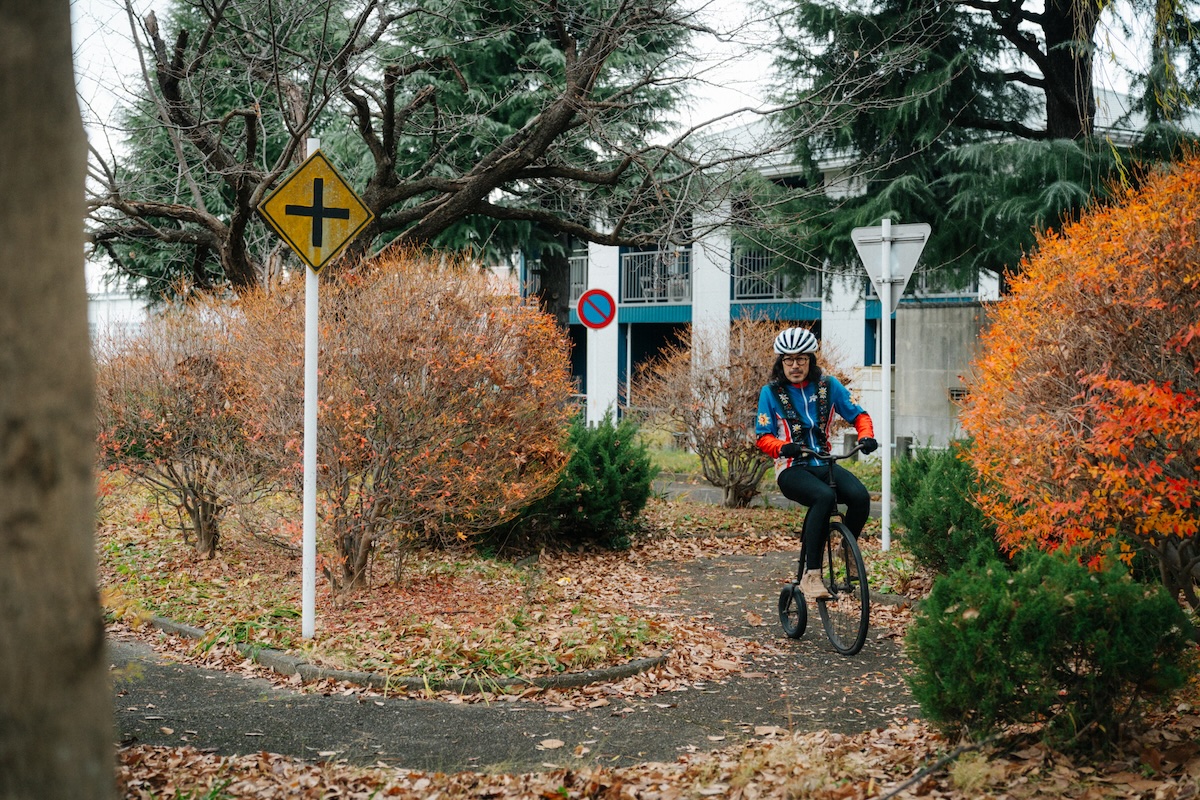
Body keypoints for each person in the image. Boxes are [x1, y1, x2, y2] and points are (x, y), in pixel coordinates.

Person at [755, 327, 878, 600]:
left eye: (801, 359)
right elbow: (762, 437)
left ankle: (847, 548)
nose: (795, 365)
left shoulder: (828, 386)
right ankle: (811, 575)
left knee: (859, 497)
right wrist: (781, 446)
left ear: (811, 360)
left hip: (824, 462)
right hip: (791, 468)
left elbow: (859, 415)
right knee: (823, 497)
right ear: (781, 363)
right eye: (788, 360)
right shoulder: (771, 392)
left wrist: (866, 436)